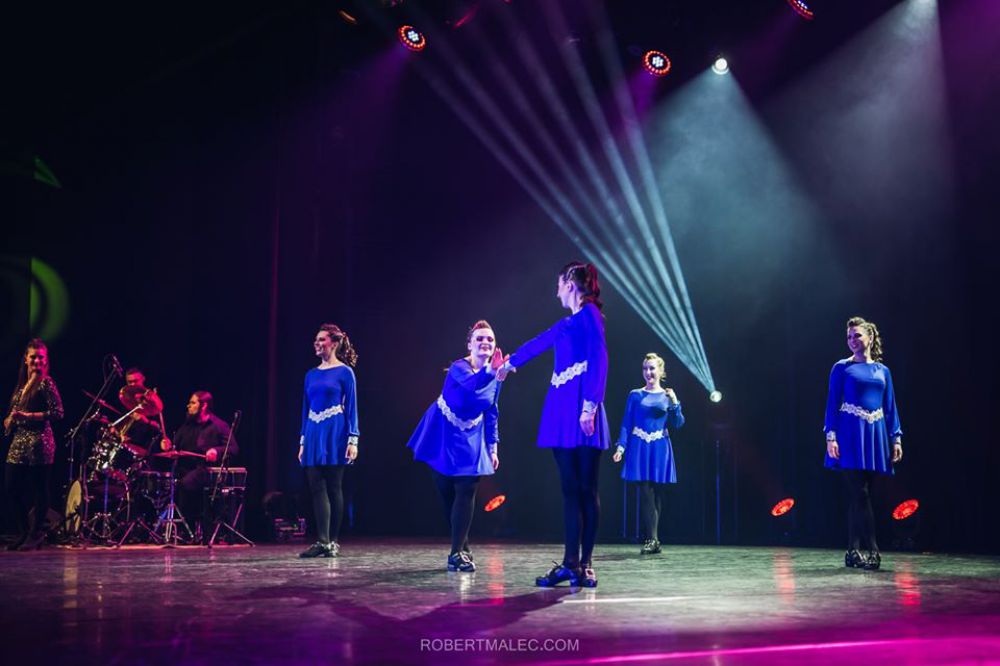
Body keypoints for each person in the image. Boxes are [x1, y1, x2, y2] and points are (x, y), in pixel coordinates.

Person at [498, 261, 610, 587]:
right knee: (570, 490)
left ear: (570, 284)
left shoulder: (590, 315)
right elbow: (539, 342)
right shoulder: (566, 324)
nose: (556, 291)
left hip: (581, 407)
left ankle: (586, 564)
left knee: (586, 489)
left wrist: (589, 406)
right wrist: (508, 364)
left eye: (559, 284)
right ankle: (570, 563)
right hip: (562, 410)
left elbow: (600, 359)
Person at [407, 320, 505, 572]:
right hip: (443, 431)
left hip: (472, 434)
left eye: (490, 339)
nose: (485, 342)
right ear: (470, 344)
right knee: (447, 493)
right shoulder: (458, 367)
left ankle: (455, 554)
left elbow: (492, 411)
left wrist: (493, 447)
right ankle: (462, 545)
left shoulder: (495, 375)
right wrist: (492, 370)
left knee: (467, 488)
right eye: (480, 338)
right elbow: (473, 385)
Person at [824, 316, 903, 570]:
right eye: (849, 337)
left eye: (857, 335)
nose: (852, 340)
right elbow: (832, 404)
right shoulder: (841, 368)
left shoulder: (883, 371)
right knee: (861, 493)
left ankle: (852, 551)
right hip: (850, 434)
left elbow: (890, 407)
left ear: (870, 337)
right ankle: (873, 551)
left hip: (874, 434)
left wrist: (896, 438)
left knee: (861, 496)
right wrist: (831, 436)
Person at [612, 353, 684, 554]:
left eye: (652, 368)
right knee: (645, 492)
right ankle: (652, 539)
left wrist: (675, 402)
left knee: (657, 494)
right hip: (640, 446)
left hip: (660, 447)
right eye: (645, 368)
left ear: (660, 371)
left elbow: (678, 423)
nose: (648, 372)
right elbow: (626, 422)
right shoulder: (635, 395)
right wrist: (621, 447)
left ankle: (654, 540)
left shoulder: (667, 395)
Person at [298, 324, 359, 558]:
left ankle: (333, 541)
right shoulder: (310, 374)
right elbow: (305, 408)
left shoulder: (345, 372)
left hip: (335, 430)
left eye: (322, 339)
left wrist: (353, 439)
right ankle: (322, 541)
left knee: (334, 486)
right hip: (313, 430)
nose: (317, 343)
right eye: (316, 339)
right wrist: (302, 441)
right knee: (316, 487)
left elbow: (352, 407)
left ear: (334, 343)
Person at [3, 339, 64, 551]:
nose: (37, 361)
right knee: (11, 488)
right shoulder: (21, 385)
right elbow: (12, 413)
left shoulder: (46, 383)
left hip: (40, 441)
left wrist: (29, 416)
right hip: (19, 440)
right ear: (26, 359)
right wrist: (9, 420)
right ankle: (23, 531)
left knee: (40, 488)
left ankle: (36, 533)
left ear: (45, 361)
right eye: (33, 357)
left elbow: (58, 412)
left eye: (41, 357)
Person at [160, 390, 238, 541]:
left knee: (184, 484)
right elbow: (175, 447)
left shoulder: (218, 425)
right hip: (184, 469)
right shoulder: (187, 426)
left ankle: (185, 530)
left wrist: (216, 450)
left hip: (204, 470)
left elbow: (233, 448)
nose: (188, 406)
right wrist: (167, 446)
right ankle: (170, 529)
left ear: (204, 406)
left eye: (192, 403)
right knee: (166, 482)